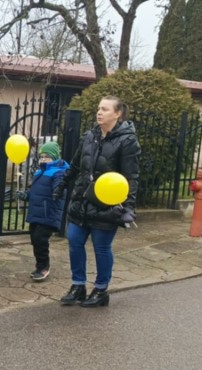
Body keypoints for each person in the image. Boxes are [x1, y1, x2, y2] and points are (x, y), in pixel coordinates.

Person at [58, 96, 140, 307]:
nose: (99, 112)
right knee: (75, 242)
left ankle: (101, 290)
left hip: (107, 205)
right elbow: (76, 164)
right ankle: (78, 286)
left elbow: (131, 177)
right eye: (98, 108)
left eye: (105, 109)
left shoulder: (127, 141)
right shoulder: (89, 136)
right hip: (82, 200)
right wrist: (62, 184)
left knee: (101, 248)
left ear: (117, 113)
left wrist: (128, 207)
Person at [21, 142, 68, 282]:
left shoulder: (59, 171)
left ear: (54, 157)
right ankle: (39, 266)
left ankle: (44, 267)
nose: (43, 159)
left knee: (40, 239)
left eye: (47, 156)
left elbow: (60, 185)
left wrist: (57, 190)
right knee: (35, 240)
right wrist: (26, 195)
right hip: (36, 212)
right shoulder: (39, 172)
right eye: (41, 156)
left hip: (48, 213)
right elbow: (36, 192)